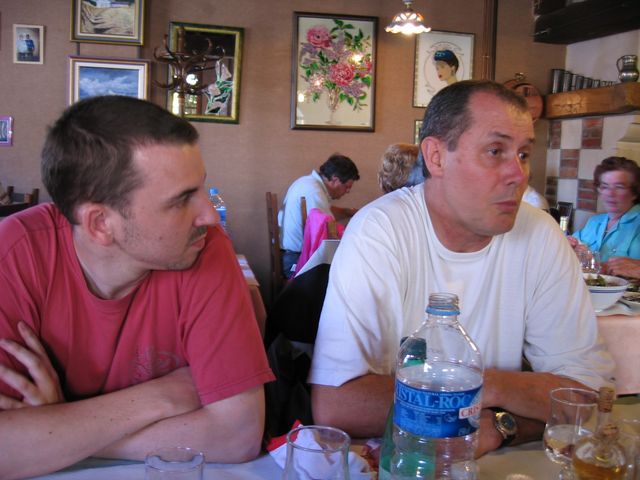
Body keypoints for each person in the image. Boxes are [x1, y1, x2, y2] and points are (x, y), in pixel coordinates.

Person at [309, 80, 614, 457]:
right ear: (436, 157)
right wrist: (488, 397)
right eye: (495, 151)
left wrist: (496, 413)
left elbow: (586, 398)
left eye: (523, 154)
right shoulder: (382, 230)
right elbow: (339, 405)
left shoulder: (540, 234)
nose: (519, 175)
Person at [0, 96, 274, 479]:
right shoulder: (17, 253)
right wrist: (163, 396)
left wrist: (58, 427)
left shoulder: (204, 249)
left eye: (201, 188)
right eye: (182, 200)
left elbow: (237, 435)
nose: (210, 215)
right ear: (100, 224)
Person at [278, 154, 359, 277]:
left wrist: (347, 212)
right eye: (346, 187)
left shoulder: (307, 182)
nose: (347, 192)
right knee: (348, 270)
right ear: (335, 179)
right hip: (295, 261)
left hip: (288, 256)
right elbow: (329, 234)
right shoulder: (314, 193)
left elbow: (325, 214)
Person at [568, 156, 640, 278]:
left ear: (634, 193)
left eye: (619, 187)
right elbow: (570, 248)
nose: (610, 193)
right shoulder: (594, 222)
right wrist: (568, 247)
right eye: (605, 186)